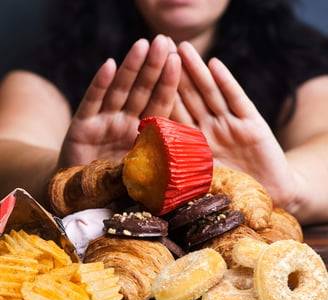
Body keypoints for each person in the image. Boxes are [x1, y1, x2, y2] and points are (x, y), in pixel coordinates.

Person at [0, 0, 328, 225]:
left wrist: (290, 186)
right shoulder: (61, 56)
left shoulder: (296, 52)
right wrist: (71, 180)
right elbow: (8, 144)